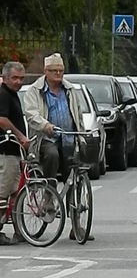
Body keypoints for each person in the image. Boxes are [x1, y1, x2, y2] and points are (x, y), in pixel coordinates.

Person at [23, 52, 94, 241]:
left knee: (75, 176)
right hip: (46, 140)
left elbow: (76, 113)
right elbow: (31, 114)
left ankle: (76, 224)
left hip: (68, 139)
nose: (58, 74)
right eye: (54, 70)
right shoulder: (35, 91)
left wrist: (82, 135)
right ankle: (48, 194)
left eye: (61, 70)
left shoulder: (69, 90)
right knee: (52, 155)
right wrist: (45, 125)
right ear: (45, 71)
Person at [0, 61, 29, 245]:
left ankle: (18, 230)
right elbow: (2, 120)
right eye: (14, 78)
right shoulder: (3, 95)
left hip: (13, 151)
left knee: (12, 191)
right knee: (3, 192)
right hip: (5, 151)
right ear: (4, 78)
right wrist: (20, 136)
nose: (18, 82)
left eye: (21, 78)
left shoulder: (12, 94)